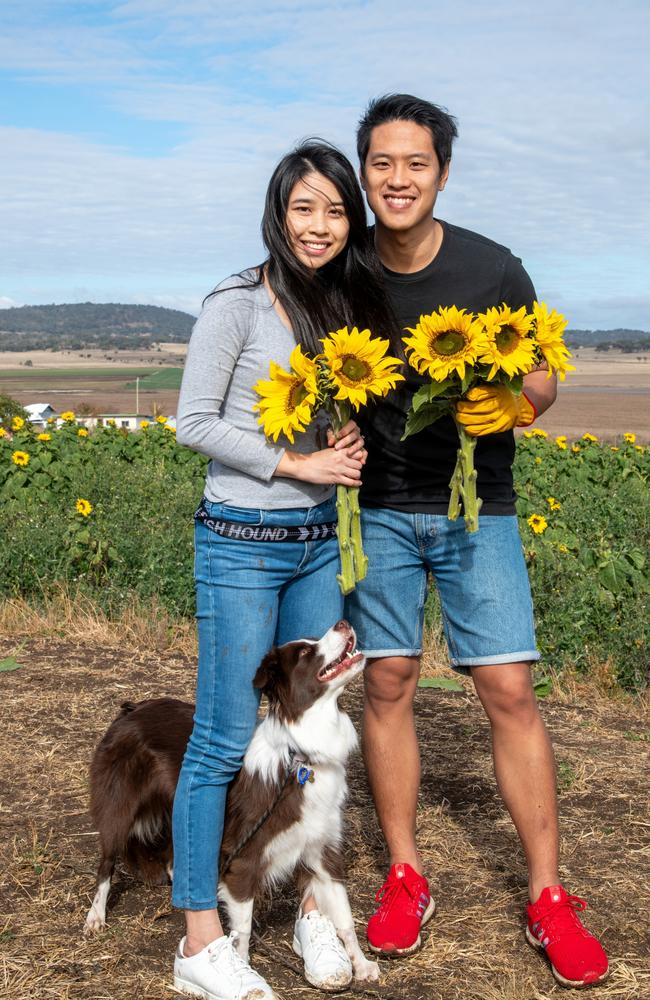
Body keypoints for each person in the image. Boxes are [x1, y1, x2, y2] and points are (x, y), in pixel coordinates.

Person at [346, 94, 609, 990]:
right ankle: (406, 875)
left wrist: (520, 404)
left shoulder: (494, 268)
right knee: (387, 679)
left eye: (415, 163)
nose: (398, 179)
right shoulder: (343, 266)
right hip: (375, 506)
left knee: (506, 685)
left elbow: (540, 369)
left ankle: (548, 895)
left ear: (442, 173)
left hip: (477, 507)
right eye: (382, 163)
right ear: (364, 171)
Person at [171, 140, 398, 1000]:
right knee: (225, 739)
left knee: (310, 742)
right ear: (278, 212)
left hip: (312, 545)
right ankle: (200, 941)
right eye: (304, 208)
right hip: (239, 542)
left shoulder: (339, 307)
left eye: (337, 211)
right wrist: (295, 466)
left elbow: (323, 418)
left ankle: (308, 910)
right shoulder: (235, 302)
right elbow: (194, 421)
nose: (319, 225)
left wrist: (339, 447)